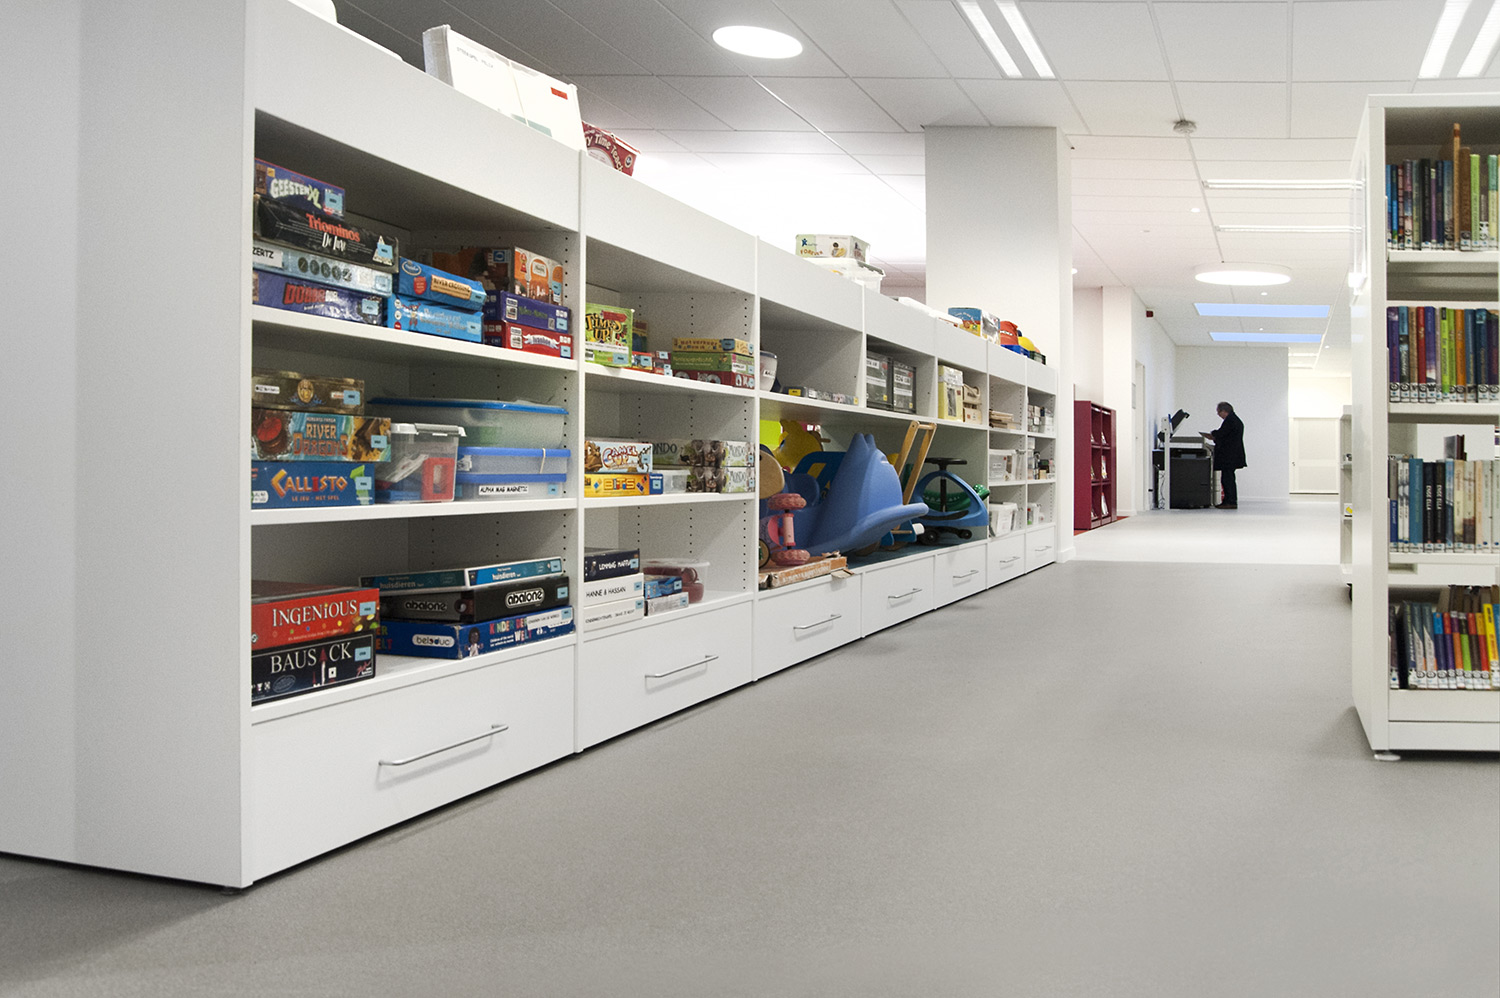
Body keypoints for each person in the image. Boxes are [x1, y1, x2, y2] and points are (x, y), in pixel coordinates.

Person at [1206, 402, 1246, 509]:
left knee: (1227, 479)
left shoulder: (1230, 421)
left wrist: (1213, 434)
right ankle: (1229, 501)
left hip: (1229, 456)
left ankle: (1230, 501)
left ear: (1224, 411)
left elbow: (1222, 434)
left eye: (1219, 412)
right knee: (1228, 478)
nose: (1218, 414)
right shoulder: (1235, 420)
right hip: (1232, 455)